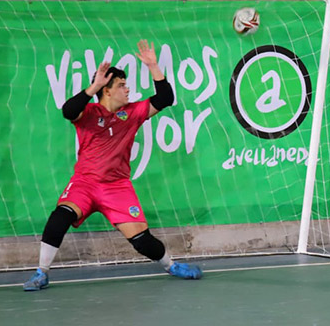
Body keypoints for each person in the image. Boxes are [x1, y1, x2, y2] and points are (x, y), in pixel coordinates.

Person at [24, 40, 202, 291]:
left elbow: (166, 97)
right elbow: (67, 110)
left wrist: (153, 66)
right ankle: (41, 273)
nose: (127, 90)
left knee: (142, 241)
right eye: (121, 86)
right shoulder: (88, 113)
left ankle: (171, 266)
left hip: (117, 187)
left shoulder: (133, 112)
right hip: (84, 183)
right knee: (59, 218)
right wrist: (92, 87)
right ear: (106, 91)